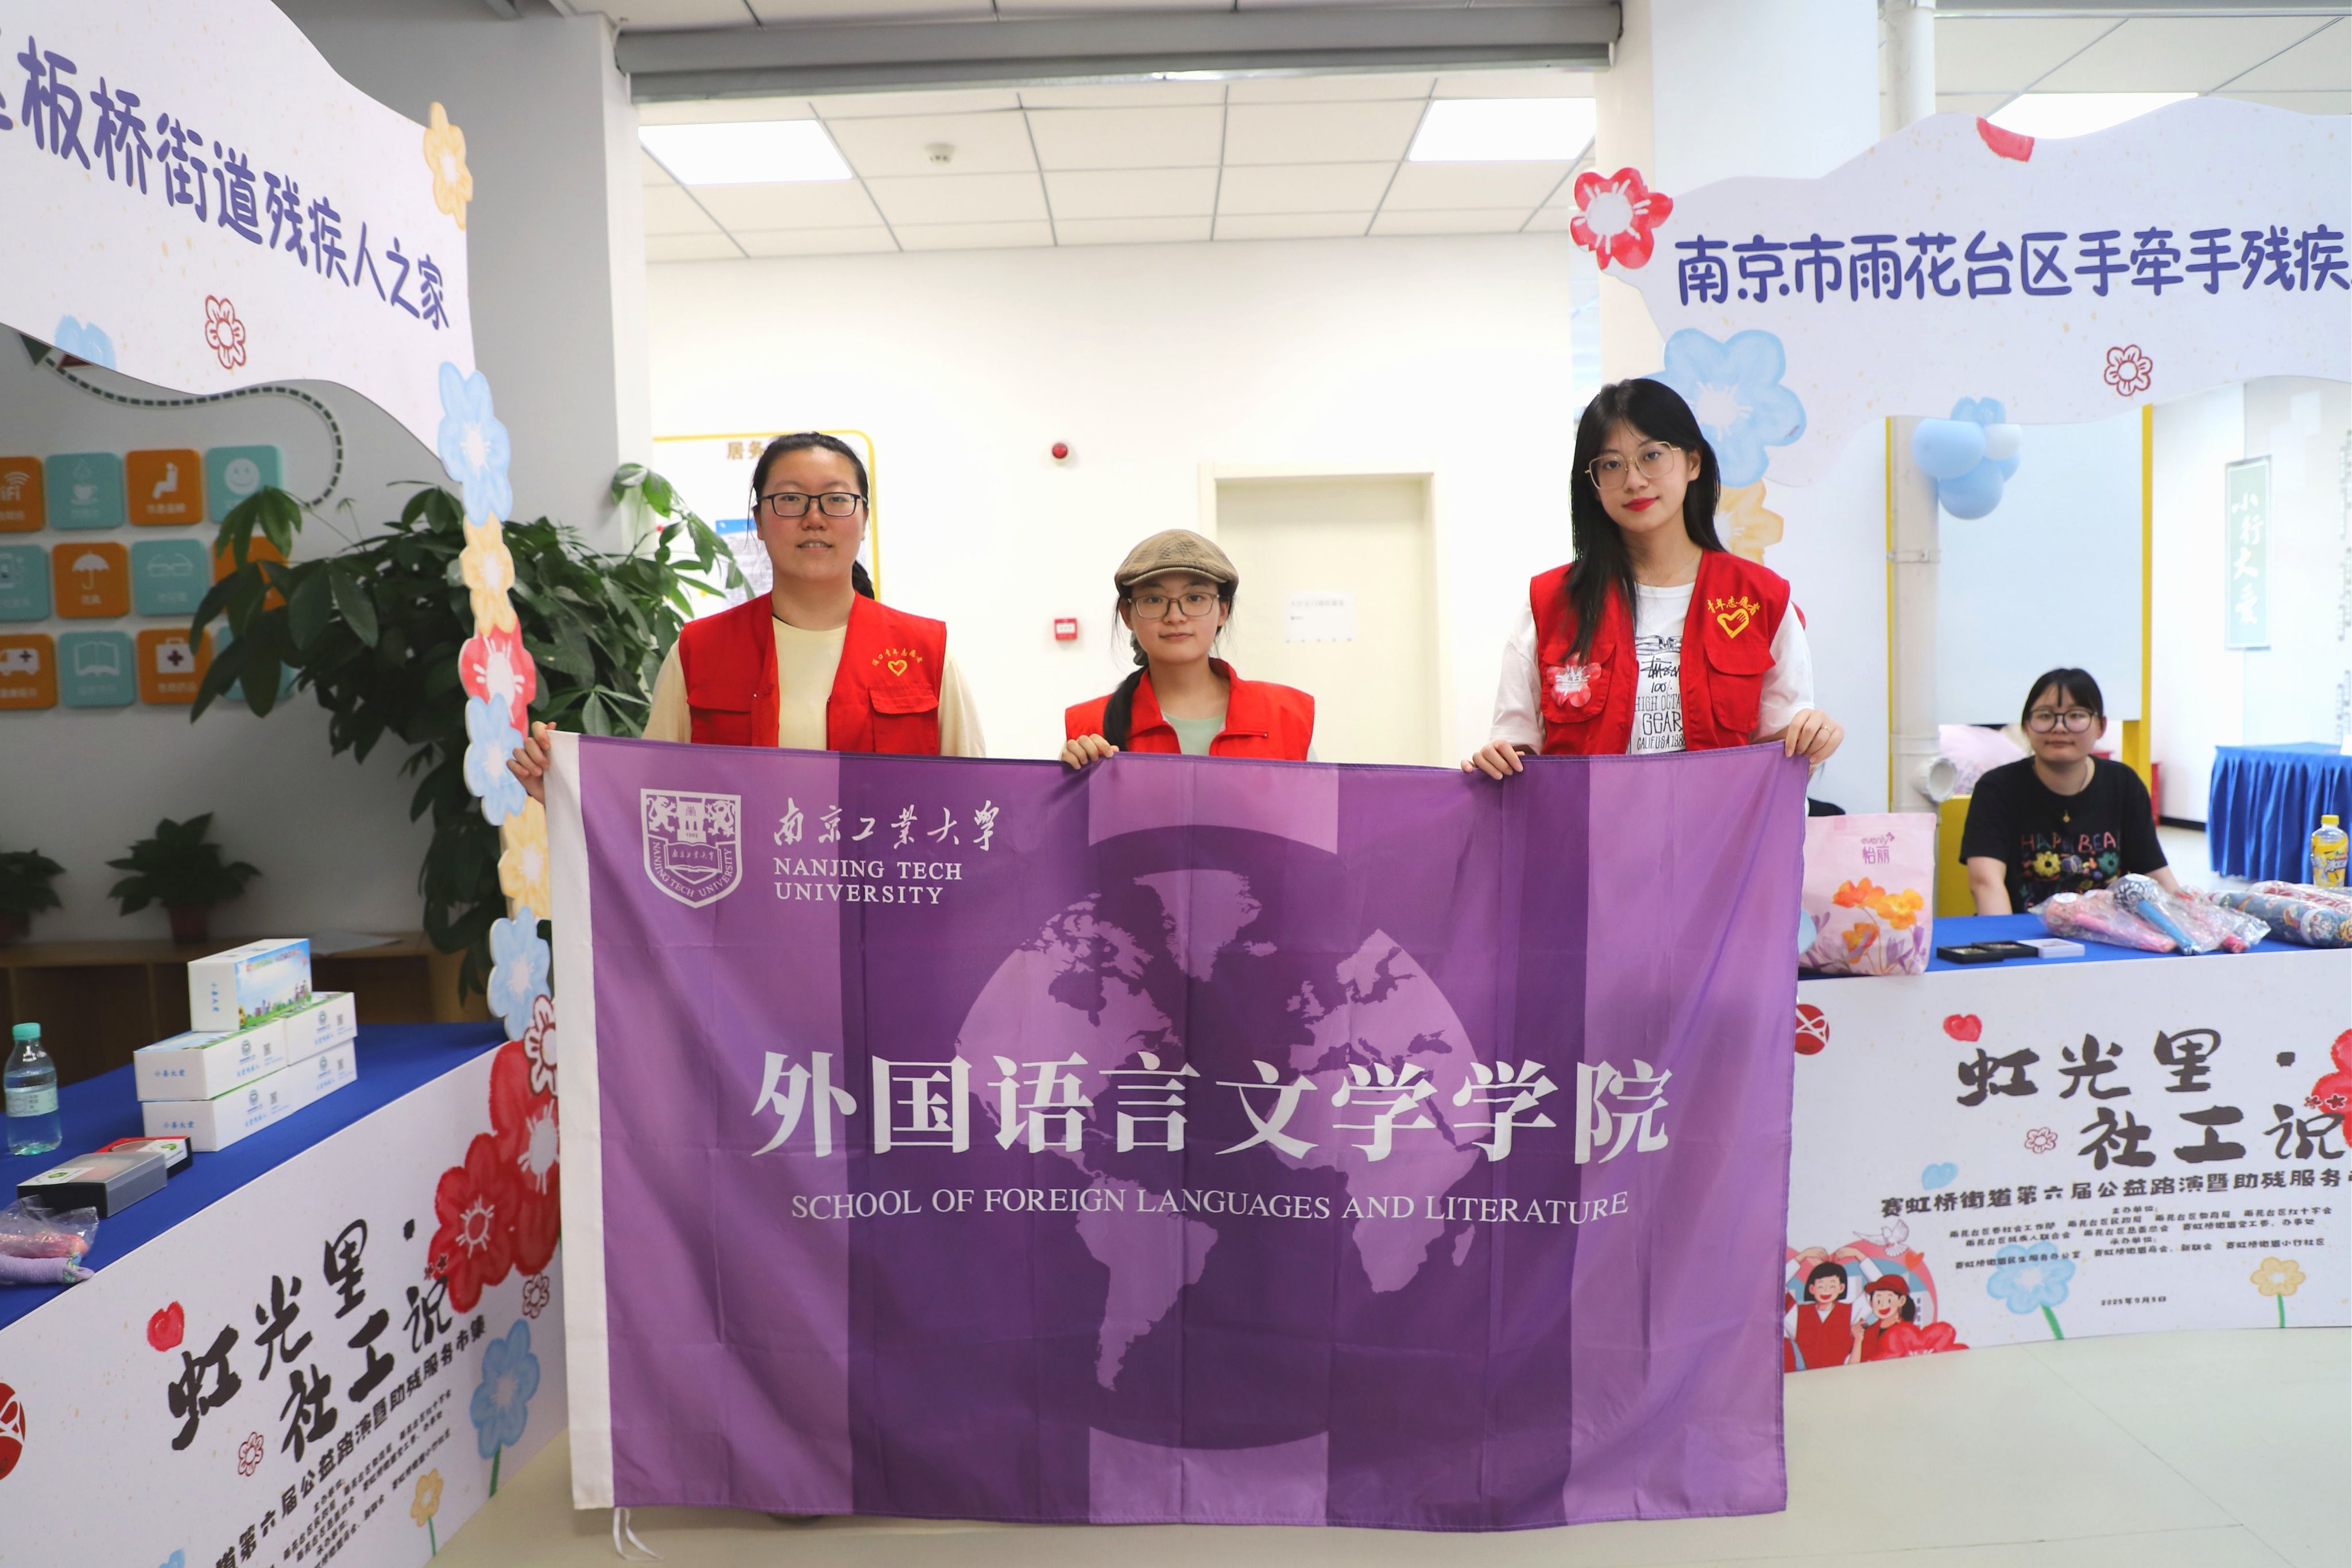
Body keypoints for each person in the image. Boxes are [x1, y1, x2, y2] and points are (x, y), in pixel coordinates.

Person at [509, 432, 982, 800]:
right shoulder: (699, 652)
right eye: (790, 499)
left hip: (884, 896)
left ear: (864, 520)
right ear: (758, 521)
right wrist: (564, 792)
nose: (814, 517)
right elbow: (650, 804)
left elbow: (977, 801)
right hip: (747, 900)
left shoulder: (926, 652)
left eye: (837, 499)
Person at [1463, 378, 1842, 779]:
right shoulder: (1550, 603)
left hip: (1720, 822)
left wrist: (1813, 741)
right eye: (1611, 464)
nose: (1634, 481)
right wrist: (1498, 761)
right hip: (1588, 822)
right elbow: (1517, 749)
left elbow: (1784, 759)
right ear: (1593, 485)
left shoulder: (1762, 598)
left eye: (1652, 455)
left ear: (1693, 462)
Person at [1060, 529, 1314, 766]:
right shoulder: (1089, 729)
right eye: (1154, 599)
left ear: (1222, 610)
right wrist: (1069, 778)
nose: (1175, 616)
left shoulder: (1287, 715)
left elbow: (1316, 801)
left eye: (1194, 598)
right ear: (1128, 614)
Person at [1959, 667, 2176, 915]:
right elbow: (1985, 884)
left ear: (2101, 726)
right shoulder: (1996, 788)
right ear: (2026, 726)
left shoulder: (2124, 784)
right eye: (2045, 716)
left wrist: (2190, 921)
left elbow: (2154, 873)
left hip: (2106, 932)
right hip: (2021, 932)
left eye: (2076, 715)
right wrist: (2004, 937)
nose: (2060, 727)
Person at [1783, 1252, 1862, 1370]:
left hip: (1845, 1376)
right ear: (1812, 1289)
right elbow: (1776, 1284)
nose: (1826, 1290)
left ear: (1841, 1288)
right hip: (1810, 1378)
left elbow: (1881, 1287)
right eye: (1821, 1286)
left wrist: (1859, 1255)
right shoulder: (1798, 1314)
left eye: (1832, 1286)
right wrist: (1802, 1256)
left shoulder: (1852, 1311)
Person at [1856, 1273, 1918, 1362]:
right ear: (1871, 1303)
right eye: (1878, 1300)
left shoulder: (1908, 1330)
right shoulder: (1868, 1333)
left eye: (1889, 1300)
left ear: (1901, 1301)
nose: (1883, 1305)